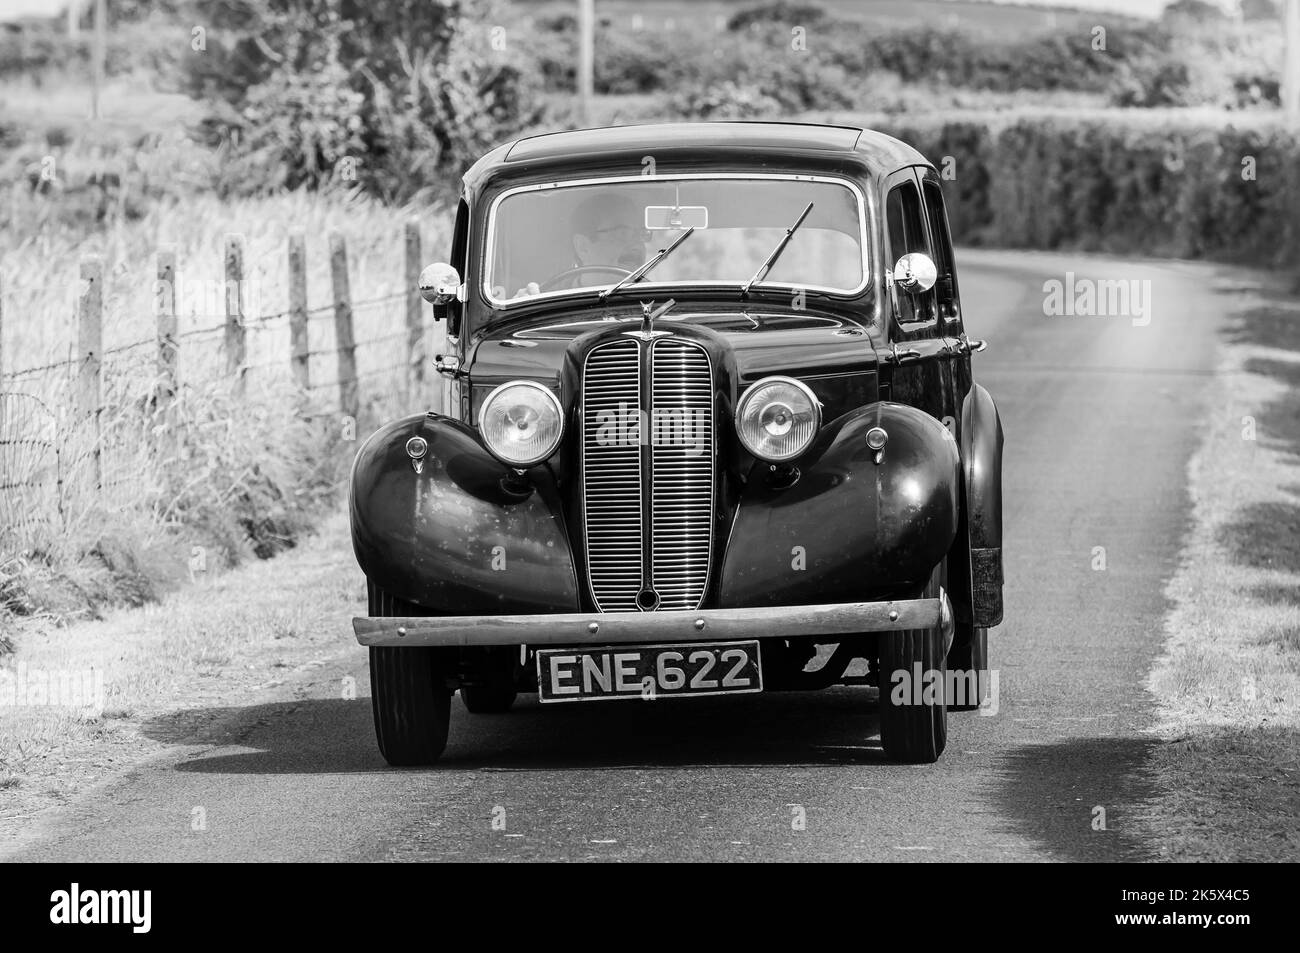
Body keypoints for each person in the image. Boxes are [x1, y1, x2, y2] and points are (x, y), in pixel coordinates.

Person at [513, 192, 650, 298]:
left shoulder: (659, 299)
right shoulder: (548, 299)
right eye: (623, 233)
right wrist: (522, 307)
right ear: (583, 247)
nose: (636, 244)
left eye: (641, 234)